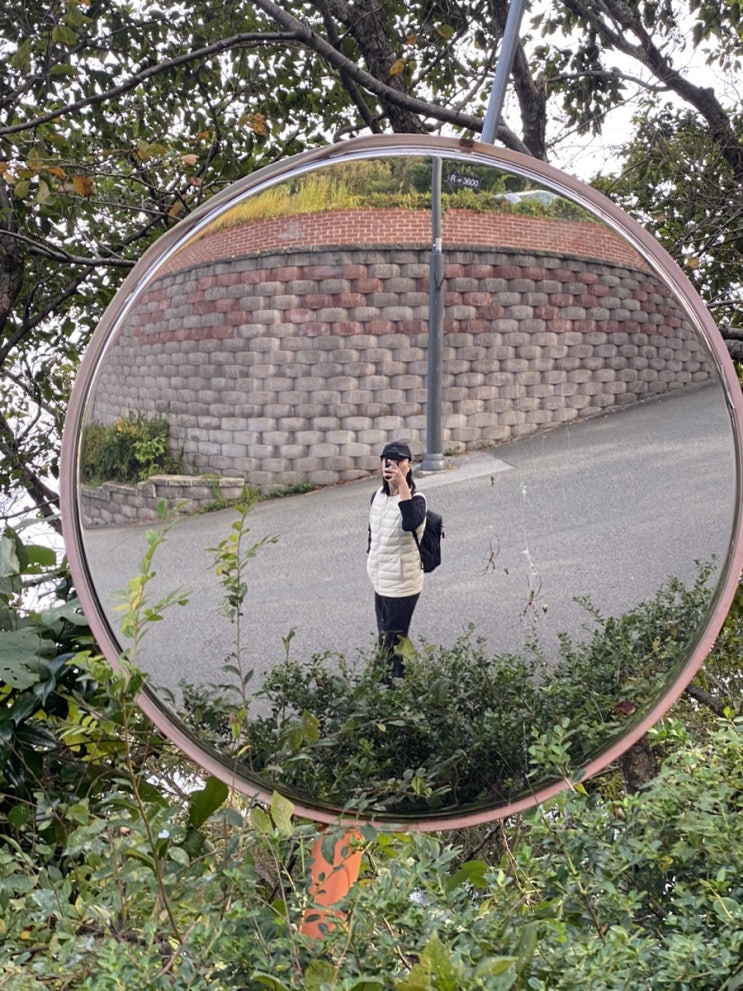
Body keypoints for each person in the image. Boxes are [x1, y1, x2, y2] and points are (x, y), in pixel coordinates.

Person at [366, 440, 427, 680]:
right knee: (386, 637)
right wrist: (371, 559)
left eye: (398, 461)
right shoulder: (377, 496)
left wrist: (402, 485)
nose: (390, 465)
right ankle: (398, 682)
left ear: (408, 465)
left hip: (403, 585)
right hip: (381, 581)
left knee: (393, 641)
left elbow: (410, 522)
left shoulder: (418, 500)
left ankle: (392, 685)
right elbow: (373, 533)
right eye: (386, 460)